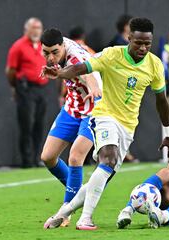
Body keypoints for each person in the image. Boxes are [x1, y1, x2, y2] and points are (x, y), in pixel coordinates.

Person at [41, 17, 169, 230]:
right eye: (138, 43)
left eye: (147, 44)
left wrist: (168, 132)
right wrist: (60, 73)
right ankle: (85, 219)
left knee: (103, 173)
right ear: (128, 38)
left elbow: (162, 100)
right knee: (107, 157)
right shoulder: (112, 54)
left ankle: (62, 212)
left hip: (127, 126)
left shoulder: (155, 65)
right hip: (103, 115)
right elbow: (82, 68)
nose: (143, 48)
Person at [38, 28, 102, 228]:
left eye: (54, 52)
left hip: (93, 107)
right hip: (72, 107)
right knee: (47, 157)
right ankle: (78, 192)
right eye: (46, 52)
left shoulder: (76, 57)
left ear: (63, 46)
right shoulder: (59, 43)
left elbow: (88, 74)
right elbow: (62, 70)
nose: (50, 57)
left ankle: (66, 212)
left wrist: (93, 89)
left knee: (75, 157)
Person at [5, 17, 48, 168]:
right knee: (26, 124)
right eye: (33, 28)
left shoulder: (43, 46)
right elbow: (10, 70)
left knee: (39, 123)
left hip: (41, 88)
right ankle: (27, 160)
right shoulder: (18, 46)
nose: (36, 31)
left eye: (38, 28)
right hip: (26, 88)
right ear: (27, 29)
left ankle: (37, 157)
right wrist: (14, 87)